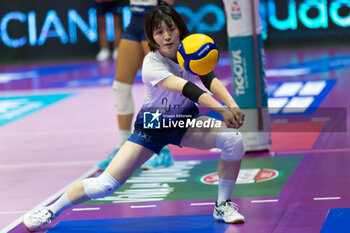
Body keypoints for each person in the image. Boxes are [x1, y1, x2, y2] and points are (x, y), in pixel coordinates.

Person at [23, 6, 246, 232]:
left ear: (181, 30)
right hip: (151, 128)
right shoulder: (151, 63)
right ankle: (49, 210)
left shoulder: (189, 51)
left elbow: (209, 78)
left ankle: (222, 205)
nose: (166, 36)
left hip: (184, 123)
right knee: (106, 185)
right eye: (159, 32)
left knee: (233, 140)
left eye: (171, 29)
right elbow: (187, 88)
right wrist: (222, 110)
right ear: (151, 37)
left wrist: (233, 105)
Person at [96, 0, 176, 170]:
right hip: (135, 19)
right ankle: (123, 148)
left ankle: (162, 151)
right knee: (120, 86)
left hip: (155, 19)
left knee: (158, 86)